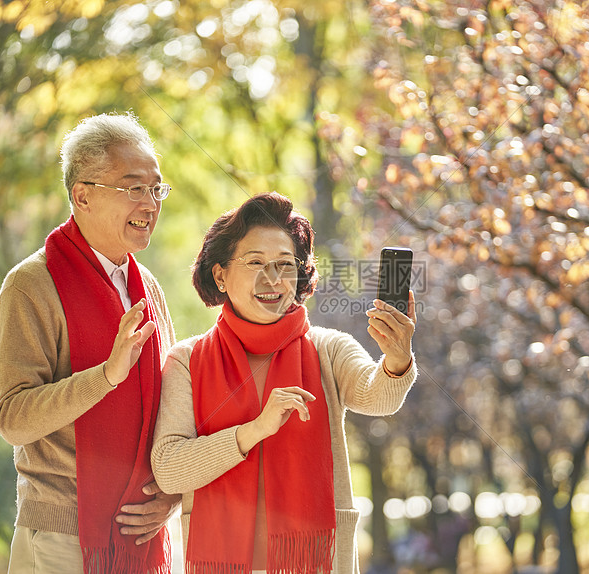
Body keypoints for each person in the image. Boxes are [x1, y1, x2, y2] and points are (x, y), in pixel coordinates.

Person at [151, 192, 418, 574]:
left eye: (284, 264)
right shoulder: (187, 361)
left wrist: (396, 358)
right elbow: (170, 469)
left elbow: (377, 396)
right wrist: (254, 430)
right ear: (220, 275)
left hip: (315, 563)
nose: (272, 278)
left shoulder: (328, 348)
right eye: (255, 261)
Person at [0, 112, 180, 574]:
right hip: (61, 537)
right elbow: (13, 419)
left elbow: (174, 408)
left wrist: (173, 495)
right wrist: (106, 376)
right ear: (83, 196)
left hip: (142, 538)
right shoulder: (31, 285)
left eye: (156, 189)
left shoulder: (147, 287)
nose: (151, 203)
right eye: (134, 188)